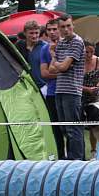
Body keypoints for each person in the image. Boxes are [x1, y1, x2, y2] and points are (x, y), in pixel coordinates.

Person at [48, 13, 86, 160]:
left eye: (68, 26)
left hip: (72, 91)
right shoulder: (61, 43)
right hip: (60, 90)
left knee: (73, 128)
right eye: (62, 27)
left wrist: (57, 61)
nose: (66, 29)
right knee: (64, 127)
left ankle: (76, 159)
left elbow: (62, 67)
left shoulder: (77, 42)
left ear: (73, 25)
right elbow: (52, 69)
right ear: (58, 28)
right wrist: (57, 61)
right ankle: (72, 157)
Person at [39, 18, 64, 158]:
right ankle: (61, 156)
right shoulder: (44, 49)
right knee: (56, 129)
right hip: (51, 93)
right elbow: (44, 73)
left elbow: (54, 70)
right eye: (49, 29)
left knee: (71, 127)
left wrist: (58, 71)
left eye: (55, 29)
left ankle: (76, 158)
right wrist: (62, 72)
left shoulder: (68, 45)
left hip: (68, 92)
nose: (52, 32)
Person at [17, 20, 48, 90]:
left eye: (36, 33)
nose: (34, 36)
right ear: (25, 33)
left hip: (43, 87)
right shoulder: (19, 45)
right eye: (31, 33)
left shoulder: (45, 47)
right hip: (25, 87)